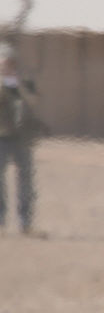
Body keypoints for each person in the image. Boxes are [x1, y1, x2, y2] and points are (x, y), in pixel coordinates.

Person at [0, 48, 43, 236]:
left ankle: (25, 223)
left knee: (25, 181)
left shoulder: (25, 82)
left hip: (22, 138)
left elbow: (33, 102)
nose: (6, 66)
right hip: (1, 137)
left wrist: (18, 86)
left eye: (9, 63)